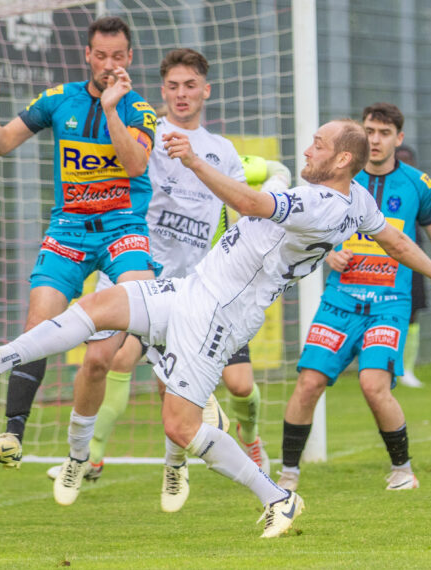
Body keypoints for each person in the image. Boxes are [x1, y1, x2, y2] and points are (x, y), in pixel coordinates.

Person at [0, 118, 431, 538]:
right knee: (102, 305)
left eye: (318, 144)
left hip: (219, 313)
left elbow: (252, 204)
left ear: (341, 160)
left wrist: (192, 160)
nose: (308, 149)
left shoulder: (319, 203)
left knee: (181, 428)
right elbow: (395, 240)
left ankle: (277, 498)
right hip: (195, 290)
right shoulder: (357, 200)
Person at [43, 49, 289, 512]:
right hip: (142, 273)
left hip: (205, 287)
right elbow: (124, 163)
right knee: (103, 359)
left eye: (190, 85)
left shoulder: (221, 150)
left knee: (236, 387)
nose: (181, 94)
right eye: (173, 86)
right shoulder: (146, 131)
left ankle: (239, 443)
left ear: (205, 90)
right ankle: (87, 457)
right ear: (163, 91)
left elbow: (245, 200)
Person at [0, 16, 159, 470]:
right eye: (101, 55)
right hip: (69, 229)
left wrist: (113, 108)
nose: (109, 64)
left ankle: (192, 388)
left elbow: (133, 165)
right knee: (39, 321)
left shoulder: (140, 110)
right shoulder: (58, 100)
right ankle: (12, 436)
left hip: (122, 228)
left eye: (118, 56)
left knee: (142, 302)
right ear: (87, 55)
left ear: (129, 59)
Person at [277, 103, 431, 494]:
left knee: (373, 384)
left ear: (398, 139)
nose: (375, 139)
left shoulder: (418, 185)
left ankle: (402, 469)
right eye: (369, 130)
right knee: (308, 384)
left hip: (389, 303)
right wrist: (328, 252)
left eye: (384, 133)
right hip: (339, 300)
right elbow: (306, 233)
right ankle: (288, 474)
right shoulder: (336, 179)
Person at [394, 145, 427, 388]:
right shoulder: (381, 189)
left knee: (413, 313)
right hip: (385, 261)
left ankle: (408, 369)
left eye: (409, 161)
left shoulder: (419, 189)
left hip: (414, 258)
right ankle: (390, 366)